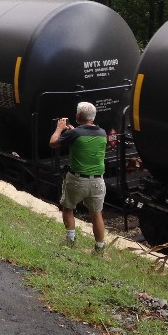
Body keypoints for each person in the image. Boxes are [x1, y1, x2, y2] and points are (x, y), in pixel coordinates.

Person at [49, 101, 107, 255]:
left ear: (78, 115)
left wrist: (59, 129)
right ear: (93, 117)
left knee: (68, 208)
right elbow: (86, 139)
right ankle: (100, 248)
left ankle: (70, 239)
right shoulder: (102, 133)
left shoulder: (73, 134)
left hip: (77, 180)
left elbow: (53, 143)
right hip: (98, 181)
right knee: (96, 214)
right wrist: (74, 132)